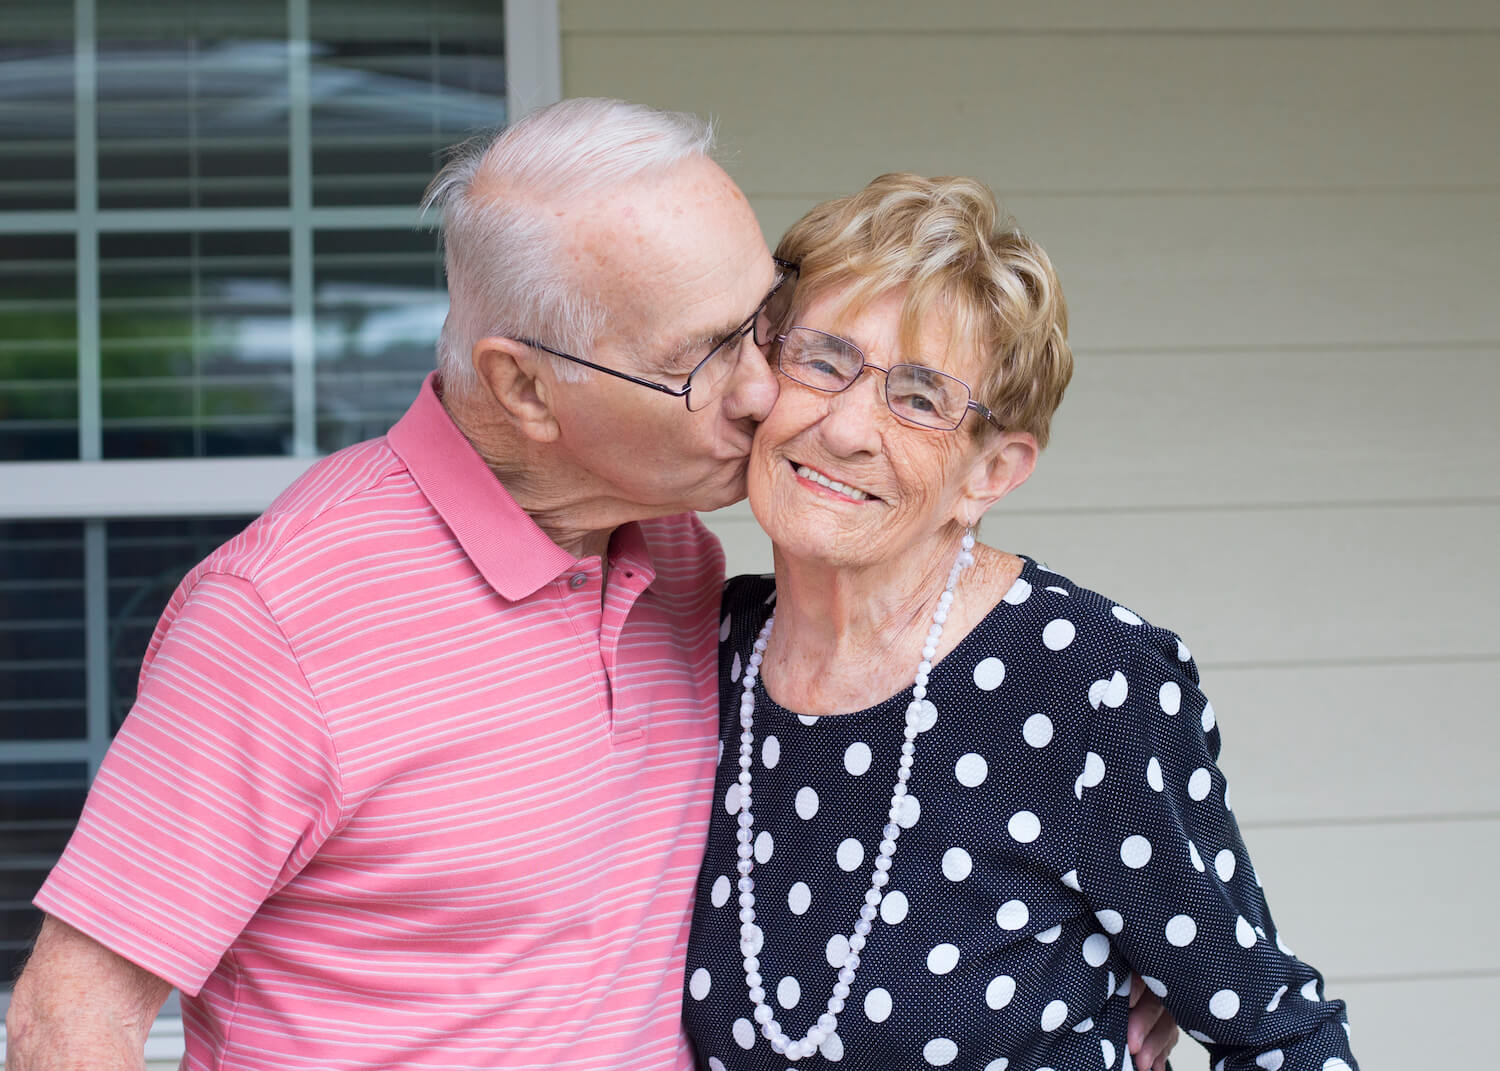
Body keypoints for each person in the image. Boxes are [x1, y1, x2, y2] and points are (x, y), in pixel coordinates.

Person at [4, 99, 1177, 1071]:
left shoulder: (678, 563)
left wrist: (1070, 992)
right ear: (524, 390)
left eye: (760, 326)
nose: (767, 393)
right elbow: (72, 1020)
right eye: (699, 359)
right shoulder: (282, 624)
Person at [681, 173, 1359, 1070]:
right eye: (823, 359)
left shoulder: (1086, 680)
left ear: (990, 473)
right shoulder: (705, 644)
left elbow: (1275, 1028)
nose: (844, 426)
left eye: (919, 399)